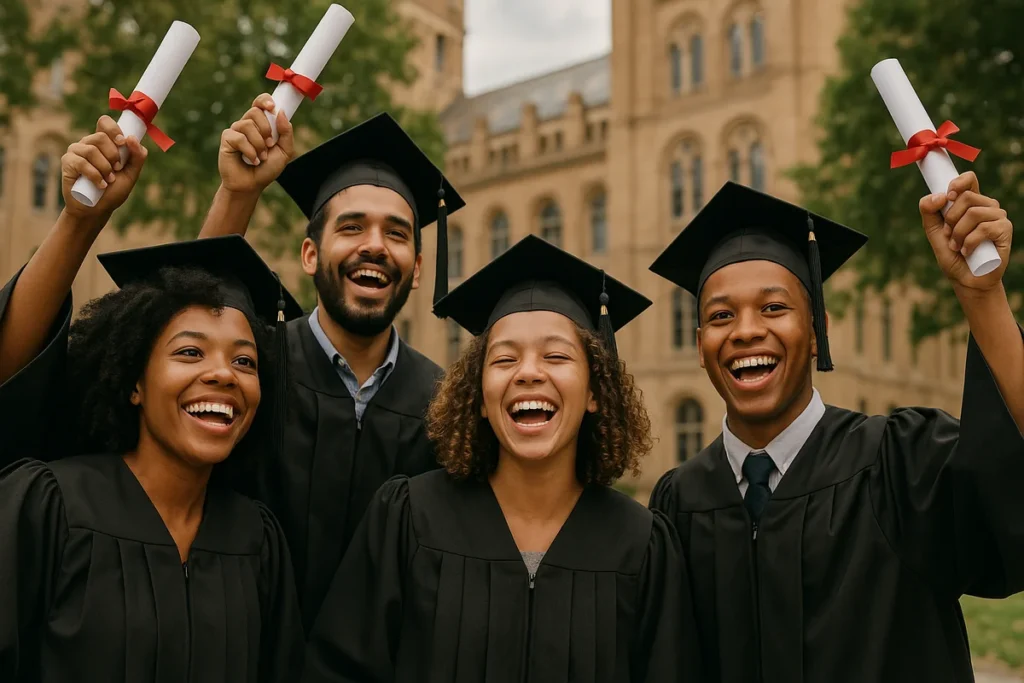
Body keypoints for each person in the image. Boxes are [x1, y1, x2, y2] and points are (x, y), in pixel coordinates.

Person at [647, 178, 1024, 683]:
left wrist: (984, 298)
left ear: (816, 329)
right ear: (700, 344)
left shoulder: (899, 463)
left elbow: (1007, 489)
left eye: (774, 308)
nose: (745, 330)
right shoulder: (677, 504)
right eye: (720, 316)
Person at [302, 235, 705, 683]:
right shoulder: (410, 520)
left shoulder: (642, 545)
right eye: (504, 358)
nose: (529, 372)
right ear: (477, 396)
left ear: (594, 392)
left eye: (555, 356)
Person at [0, 118, 305, 681]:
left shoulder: (257, 541)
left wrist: (240, 192)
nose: (223, 374)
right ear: (133, 382)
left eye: (245, 361)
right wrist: (81, 217)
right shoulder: (48, 506)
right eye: (189, 353)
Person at [197, 97, 466, 630]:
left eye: (396, 233)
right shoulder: (253, 371)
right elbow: (177, 323)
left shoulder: (446, 406)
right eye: (351, 228)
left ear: (417, 269)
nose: (375, 247)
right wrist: (238, 191)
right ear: (310, 255)